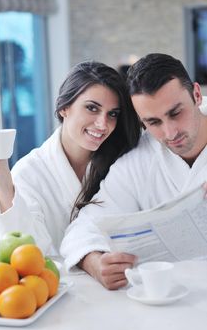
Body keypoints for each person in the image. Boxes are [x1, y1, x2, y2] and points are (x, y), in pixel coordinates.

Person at [60, 53, 207, 290]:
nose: (170, 133)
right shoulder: (138, 161)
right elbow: (83, 228)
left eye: (175, 113)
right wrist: (95, 264)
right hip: (169, 299)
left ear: (197, 95)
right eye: (153, 122)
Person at [0, 61, 141, 256]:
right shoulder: (29, 172)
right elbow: (26, 251)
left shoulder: (121, 161)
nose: (103, 124)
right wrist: (2, 180)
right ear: (64, 108)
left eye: (112, 114)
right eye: (92, 108)